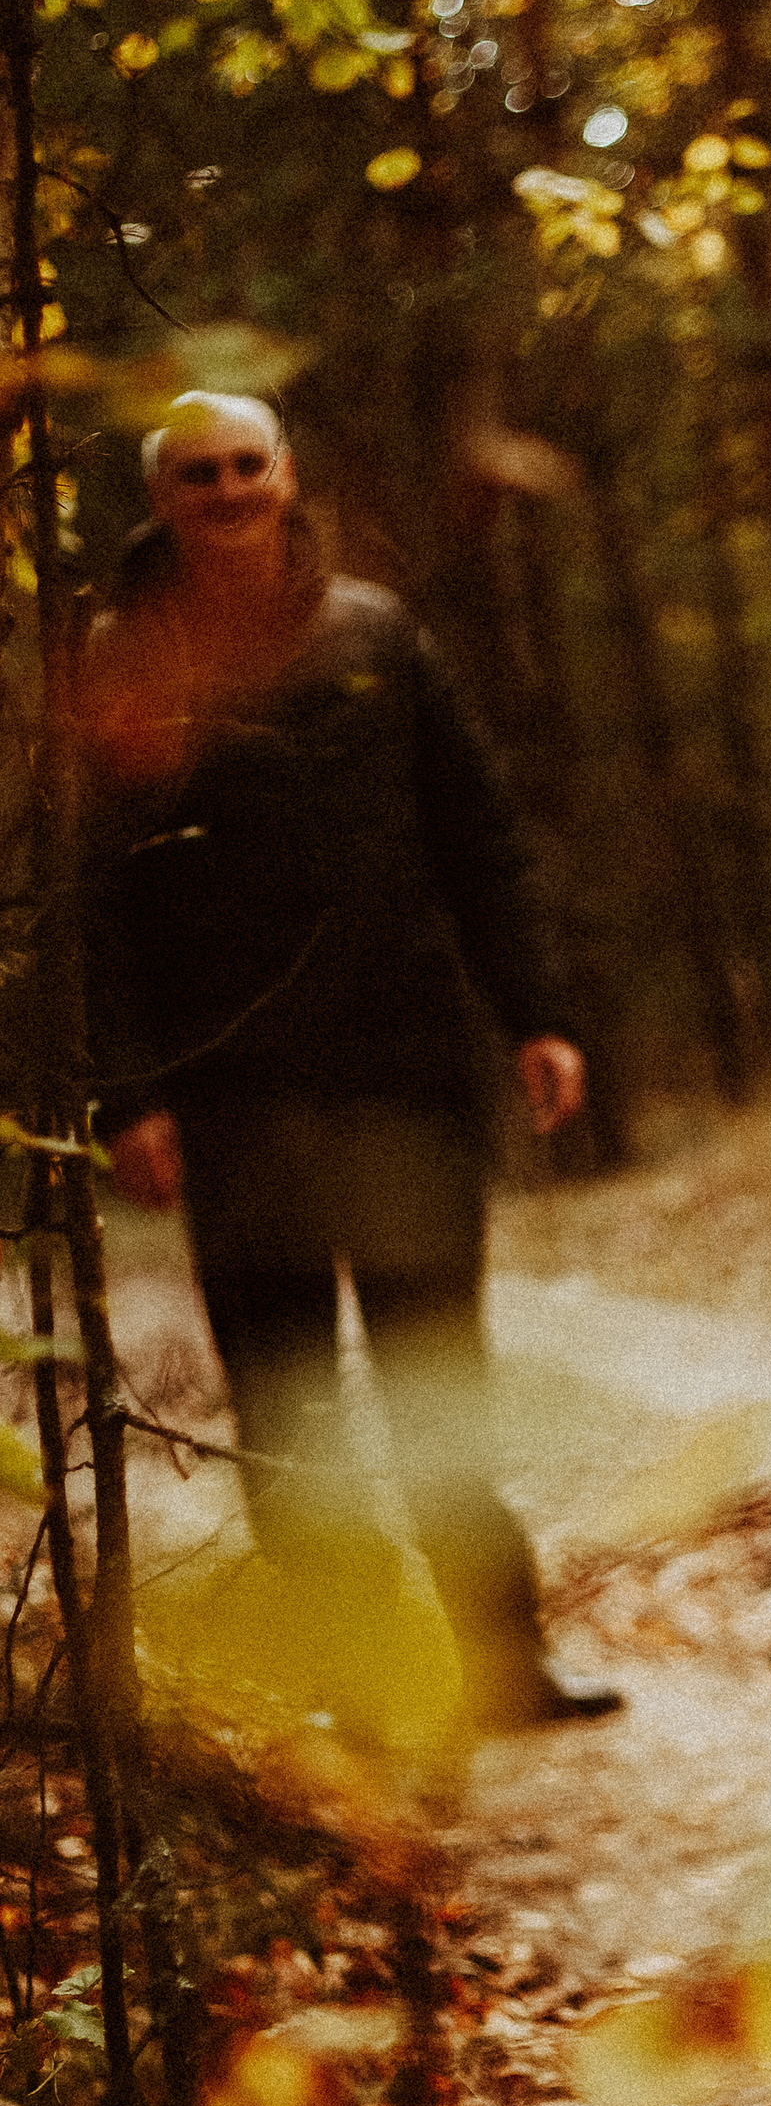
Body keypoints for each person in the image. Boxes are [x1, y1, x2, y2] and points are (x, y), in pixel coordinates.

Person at [81, 390, 618, 1734]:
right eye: (197, 474)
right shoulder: (121, 664)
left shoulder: (375, 632)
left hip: (404, 1077)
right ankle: (366, 1690)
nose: (227, 491)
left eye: (246, 465)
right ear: (160, 500)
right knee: (286, 1405)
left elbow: (475, 833)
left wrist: (537, 1014)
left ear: (284, 475)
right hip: (233, 1099)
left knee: (440, 1372)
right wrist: (127, 1096)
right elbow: (96, 900)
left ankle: (502, 1663)